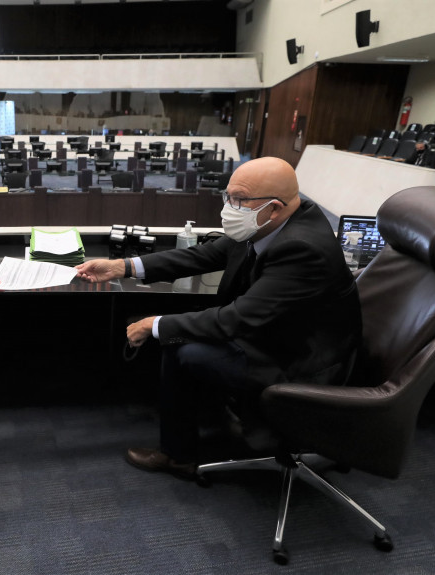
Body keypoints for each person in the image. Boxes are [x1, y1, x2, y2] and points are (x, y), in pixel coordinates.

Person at [75, 157, 361, 480]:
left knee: (180, 347)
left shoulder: (303, 249)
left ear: (275, 208)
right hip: (278, 332)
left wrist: (155, 325)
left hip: (299, 361)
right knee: (179, 330)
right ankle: (211, 415)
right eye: (228, 197)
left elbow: (235, 319)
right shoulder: (270, 223)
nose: (229, 207)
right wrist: (122, 267)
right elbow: (202, 255)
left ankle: (177, 455)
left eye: (239, 200)